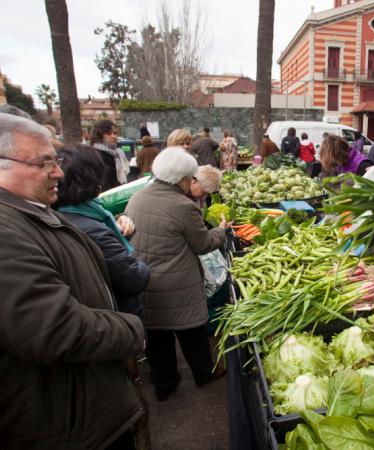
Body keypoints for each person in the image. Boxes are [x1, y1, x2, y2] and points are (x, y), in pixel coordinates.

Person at [0, 113, 145, 448]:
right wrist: (132, 331)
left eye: (56, 160)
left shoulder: (32, 213)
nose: (58, 173)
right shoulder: (7, 231)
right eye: (44, 163)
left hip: (80, 410)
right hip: (68, 425)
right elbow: (54, 328)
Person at [125, 147, 230, 401]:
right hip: (178, 282)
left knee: (158, 338)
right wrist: (222, 229)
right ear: (183, 178)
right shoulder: (184, 206)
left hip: (146, 280)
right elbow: (203, 244)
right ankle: (205, 374)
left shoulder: (137, 197)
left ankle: (165, 385)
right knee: (192, 333)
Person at [54, 144, 150, 318]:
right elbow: (134, 278)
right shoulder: (95, 231)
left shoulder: (61, 214)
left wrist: (120, 232)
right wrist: (139, 261)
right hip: (116, 318)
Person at [91, 119, 130, 191]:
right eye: (109, 134)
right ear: (99, 136)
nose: (113, 136)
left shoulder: (117, 153)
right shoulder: (95, 154)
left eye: (115, 133)